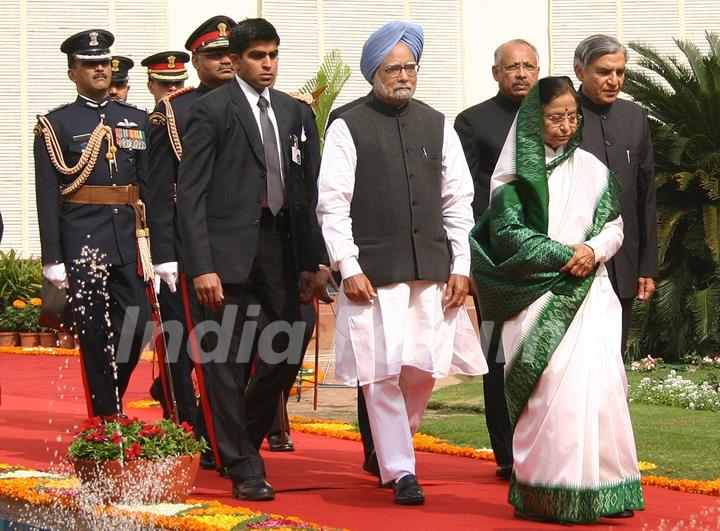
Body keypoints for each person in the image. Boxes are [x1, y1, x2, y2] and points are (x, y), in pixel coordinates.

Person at [317, 20, 486, 506]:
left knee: (423, 369)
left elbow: (459, 202)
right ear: (373, 72)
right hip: (375, 274)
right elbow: (332, 203)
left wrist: (461, 265)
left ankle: (397, 450)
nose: (404, 75)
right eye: (394, 67)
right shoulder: (348, 125)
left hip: (433, 270)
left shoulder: (438, 123)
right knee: (382, 371)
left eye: (410, 66)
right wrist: (348, 266)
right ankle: (402, 469)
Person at [470, 76, 644, 523]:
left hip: (591, 295)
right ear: (534, 118)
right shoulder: (514, 177)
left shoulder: (593, 169)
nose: (566, 126)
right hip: (538, 294)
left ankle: (605, 490)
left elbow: (615, 225)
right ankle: (550, 494)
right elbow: (509, 234)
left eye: (572, 116)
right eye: (555, 117)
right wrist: (569, 255)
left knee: (601, 390)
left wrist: (594, 251)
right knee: (551, 395)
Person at [177, 17, 322, 501]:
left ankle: (242, 441)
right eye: (258, 56)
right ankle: (244, 465)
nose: (268, 65)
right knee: (223, 361)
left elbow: (306, 193)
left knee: (287, 349)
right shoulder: (212, 111)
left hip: (280, 249)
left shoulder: (294, 113)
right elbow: (190, 196)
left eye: (273, 55)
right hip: (224, 255)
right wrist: (201, 265)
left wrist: (312, 260)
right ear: (237, 60)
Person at [34, 29, 154, 416]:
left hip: (127, 236)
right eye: (89, 64)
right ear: (73, 73)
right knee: (94, 333)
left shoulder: (135, 119)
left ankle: (111, 390)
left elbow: (148, 184)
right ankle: (106, 415)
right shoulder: (57, 125)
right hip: (82, 237)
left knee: (136, 325)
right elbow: (47, 194)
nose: (99, 69)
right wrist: (52, 255)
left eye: (103, 62)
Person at [144, 17, 236, 473]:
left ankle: (231, 432)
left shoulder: (260, 105)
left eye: (230, 52)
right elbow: (160, 190)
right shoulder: (174, 111)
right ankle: (189, 429)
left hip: (241, 243)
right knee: (185, 344)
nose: (225, 60)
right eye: (214, 54)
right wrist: (165, 254)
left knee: (244, 344)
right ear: (196, 61)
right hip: (189, 242)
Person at [454, 38, 540, 480]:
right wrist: (469, 261)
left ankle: (540, 447)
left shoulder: (554, 117)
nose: (521, 74)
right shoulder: (473, 122)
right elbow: (463, 198)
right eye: (512, 67)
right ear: (496, 73)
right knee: (497, 357)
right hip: (494, 263)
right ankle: (506, 454)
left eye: (528, 66)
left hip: (546, 260)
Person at [574, 34, 658, 352]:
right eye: (604, 72)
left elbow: (645, 194)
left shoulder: (634, 117)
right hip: (574, 259)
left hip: (623, 263)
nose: (614, 80)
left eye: (620, 72)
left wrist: (647, 264)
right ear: (580, 71)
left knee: (612, 357)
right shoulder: (560, 115)